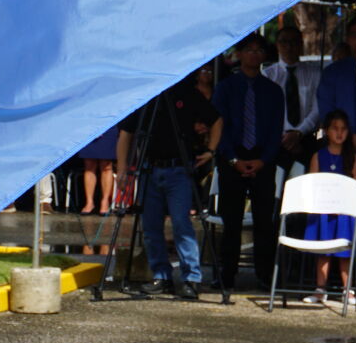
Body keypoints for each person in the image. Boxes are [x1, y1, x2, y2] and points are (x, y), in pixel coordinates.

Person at [116, 73, 219, 299]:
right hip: (149, 168)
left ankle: (191, 277)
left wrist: (211, 150)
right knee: (151, 226)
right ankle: (161, 275)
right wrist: (123, 168)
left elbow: (216, 118)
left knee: (182, 224)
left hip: (179, 168)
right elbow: (126, 132)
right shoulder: (147, 94)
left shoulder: (186, 92)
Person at [213, 33, 283, 292]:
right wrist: (232, 158)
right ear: (239, 54)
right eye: (249, 50)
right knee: (231, 221)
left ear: (265, 55)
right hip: (232, 159)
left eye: (259, 50)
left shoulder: (273, 91)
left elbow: (276, 130)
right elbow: (218, 127)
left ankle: (265, 275)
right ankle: (226, 275)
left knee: (264, 221)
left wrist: (262, 160)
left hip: (262, 161)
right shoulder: (225, 88)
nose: (254, 54)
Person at [302, 109, 356, 307]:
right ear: (326, 131)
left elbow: (355, 187)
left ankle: (348, 289)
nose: (339, 133)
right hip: (323, 212)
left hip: (344, 213)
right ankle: (320, 290)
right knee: (323, 251)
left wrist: (341, 206)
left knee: (344, 250)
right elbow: (314, 185)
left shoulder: (352, 157)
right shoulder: (318, 156)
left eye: (343, 129)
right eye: (335, 129)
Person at [305, 16, 356, 155]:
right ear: (347, 38)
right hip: (340, 143)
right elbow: (327, 111)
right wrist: (344, 136)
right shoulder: (333, 72)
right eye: (355, 35)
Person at [262, 23, 312, 172]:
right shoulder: (268, 75)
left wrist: (299, 133)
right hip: (277, 140)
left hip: (306, 139)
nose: (289, 46)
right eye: (284, 42)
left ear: (301, 44)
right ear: (277, 45)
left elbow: (317, 108)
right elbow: (265, 111)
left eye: (294, 41)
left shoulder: (314, 73)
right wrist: (284, 136)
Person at [76, 121, 122, 215]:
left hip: (108, 125)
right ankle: (89, 202)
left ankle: (105, 201)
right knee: (89, 166)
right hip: (89, 125)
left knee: (106, 166)